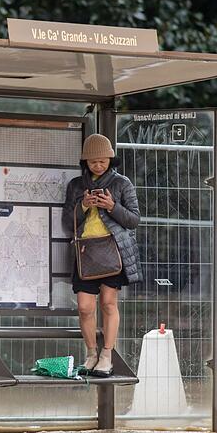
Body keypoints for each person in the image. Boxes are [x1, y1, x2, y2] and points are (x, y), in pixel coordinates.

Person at [62, 134, 141, 376]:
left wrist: (111, 206)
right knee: (85, 307)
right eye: (93, 161)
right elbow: (67, 222)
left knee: (108, 303)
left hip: (113, 250)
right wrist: (84, 205)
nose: (98, 165)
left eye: (103, 161)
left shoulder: (122, 183)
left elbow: (134, 219)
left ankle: (107, 354)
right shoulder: (76, 185)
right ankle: (91, 353)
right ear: (85, 162)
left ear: (110, 159)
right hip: (85, 251)